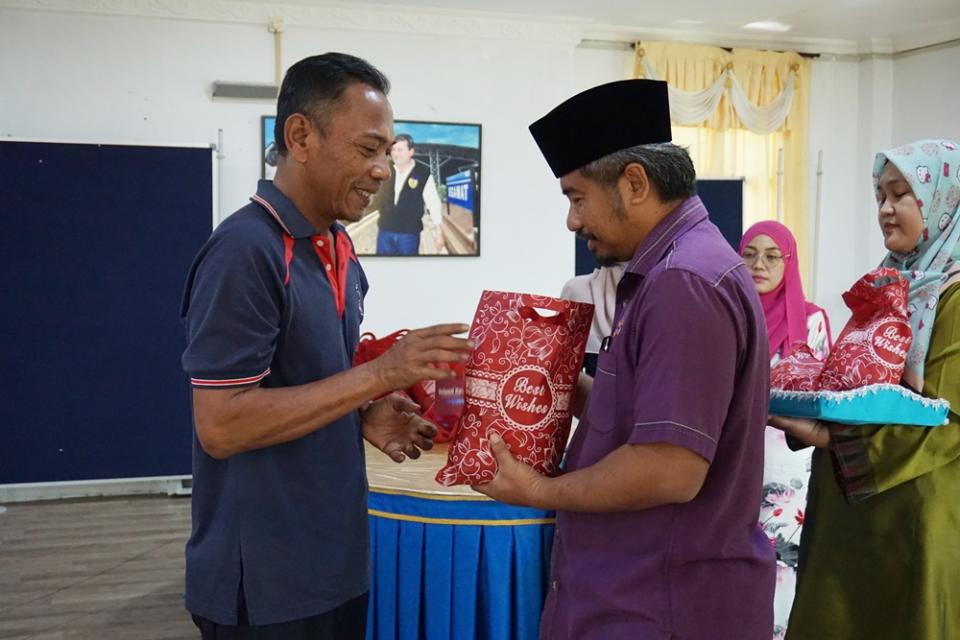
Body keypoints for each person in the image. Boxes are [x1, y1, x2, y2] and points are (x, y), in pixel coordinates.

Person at [180, 52, 471, 640]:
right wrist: (380, 375)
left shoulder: (336, 245)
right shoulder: (246, 250)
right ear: (300, 137)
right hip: (266, 582)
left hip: (335, 562)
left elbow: (304, 381)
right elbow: (223, 425)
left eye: (386, 153)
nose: (382, 170)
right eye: (367, 149)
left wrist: (361, 414)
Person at [474, 79, 775, 639]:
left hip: (660, 603)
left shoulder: (684, 282)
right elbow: (643, 417)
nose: (572, 221)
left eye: (576, 198)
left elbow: (670, 467)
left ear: (634, 183)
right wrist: (542, 383)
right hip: (639, 592)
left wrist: (539, 492)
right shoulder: (670, 269)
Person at [770, 139, 960, 640]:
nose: (885, 209)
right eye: (880, 196)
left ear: (943, 202)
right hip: (850, 507)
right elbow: (853, 379)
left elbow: (950, 423)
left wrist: (834, 437)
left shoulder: (955, 297)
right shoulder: (889, 282)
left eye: (900, 195)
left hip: (911, 515)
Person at [739, 221, 832, 639]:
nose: (759, 264)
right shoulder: (727, 312)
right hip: (734, 461)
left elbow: (820, 397)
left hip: (789, 468)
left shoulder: (812, 321)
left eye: (772, 256)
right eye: (749, 254)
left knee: (787, 570)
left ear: (788, 262)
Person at [375, 133, 445, 255]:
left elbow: (433, 203)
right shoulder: (385, 170)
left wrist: (439, 233)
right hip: (384, 233)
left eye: (400, 150)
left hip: (409, 236)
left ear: (411, 152)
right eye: (394, 149)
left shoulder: (423, 173)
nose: (396, 153)